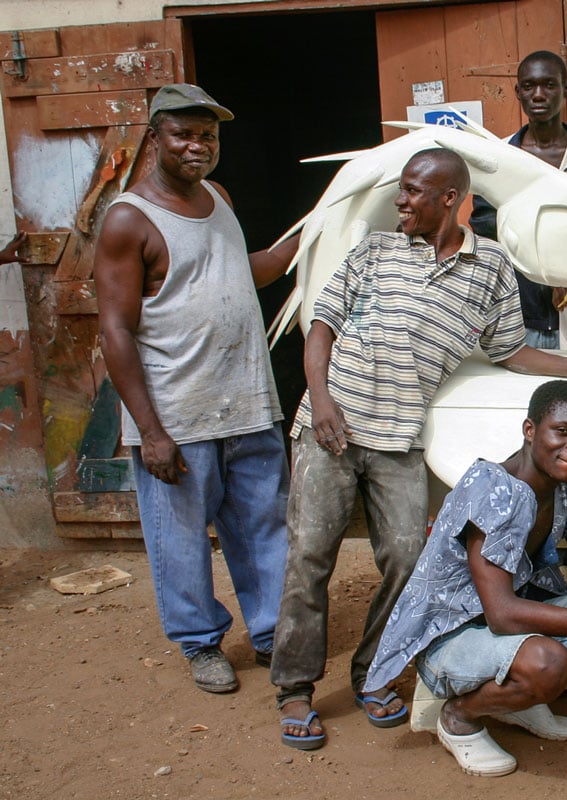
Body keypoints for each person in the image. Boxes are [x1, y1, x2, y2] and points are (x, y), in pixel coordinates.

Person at [272, 148, 567, 751]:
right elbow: (321, 323)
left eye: (412, 192)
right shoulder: (375, 250)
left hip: (400, 439)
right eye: (401, 191)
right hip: (331, 427)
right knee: (310, 559)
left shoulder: (489, 268)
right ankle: (295, 689)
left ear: (448, 199)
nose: (401, 202)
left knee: (408, 562)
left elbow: (511, 351)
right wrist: (321, 399)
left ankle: (371, 676)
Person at [363, 379, 567, 776]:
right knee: (548, 663)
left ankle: (519, 698)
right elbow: (501, 614)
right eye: (562, 431)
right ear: (530, 431)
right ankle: (460, 717)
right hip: (453, 637)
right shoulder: (493, 490)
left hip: (512, 627)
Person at [94, 83, 299, 694]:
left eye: (207, 136)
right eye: (182, 134)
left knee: (265, 530)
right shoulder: (129, 219)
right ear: (154, 138)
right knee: (180, 542)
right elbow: (115, 331)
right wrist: (150, 432)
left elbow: (242, 272)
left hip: (249, 403)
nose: (197, 146)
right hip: (179, 417)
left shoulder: (217, 196)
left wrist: (307, 243)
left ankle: (270, 633)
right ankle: (200, 642)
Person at [470, 50, 567, 350]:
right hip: (516, 318)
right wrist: (550, 268)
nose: (539, 95)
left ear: (566, 90)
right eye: (529, 86)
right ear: (518, 92)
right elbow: (487, 231)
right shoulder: (497, 160)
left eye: (549, 85)